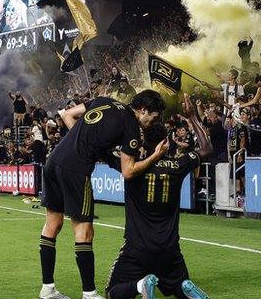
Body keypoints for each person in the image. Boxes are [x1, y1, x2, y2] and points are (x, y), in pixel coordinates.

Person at [39, 90, 168, 299]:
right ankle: (89, 294)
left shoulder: (103, 101)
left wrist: (91, 146)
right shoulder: (131, 126)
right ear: (143, 110)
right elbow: (128, 171)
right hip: (75, 170)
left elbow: (66, 115)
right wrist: (156, 156)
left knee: (52, 225)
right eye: (153, 117)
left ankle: (48, 289)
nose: (152, 122)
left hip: (53, 162)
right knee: (85, 231)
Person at [105, 94, 212, 299]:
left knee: (112, 293)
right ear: (166, 141)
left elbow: (105, 149)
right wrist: (193, 118)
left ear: (143, 141)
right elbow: (206, 149)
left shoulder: (132, 168)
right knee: (177, 286)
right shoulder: (178, 166)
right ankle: (183, 288)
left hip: (137, 249)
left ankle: (141, 285)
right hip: (169, 249)